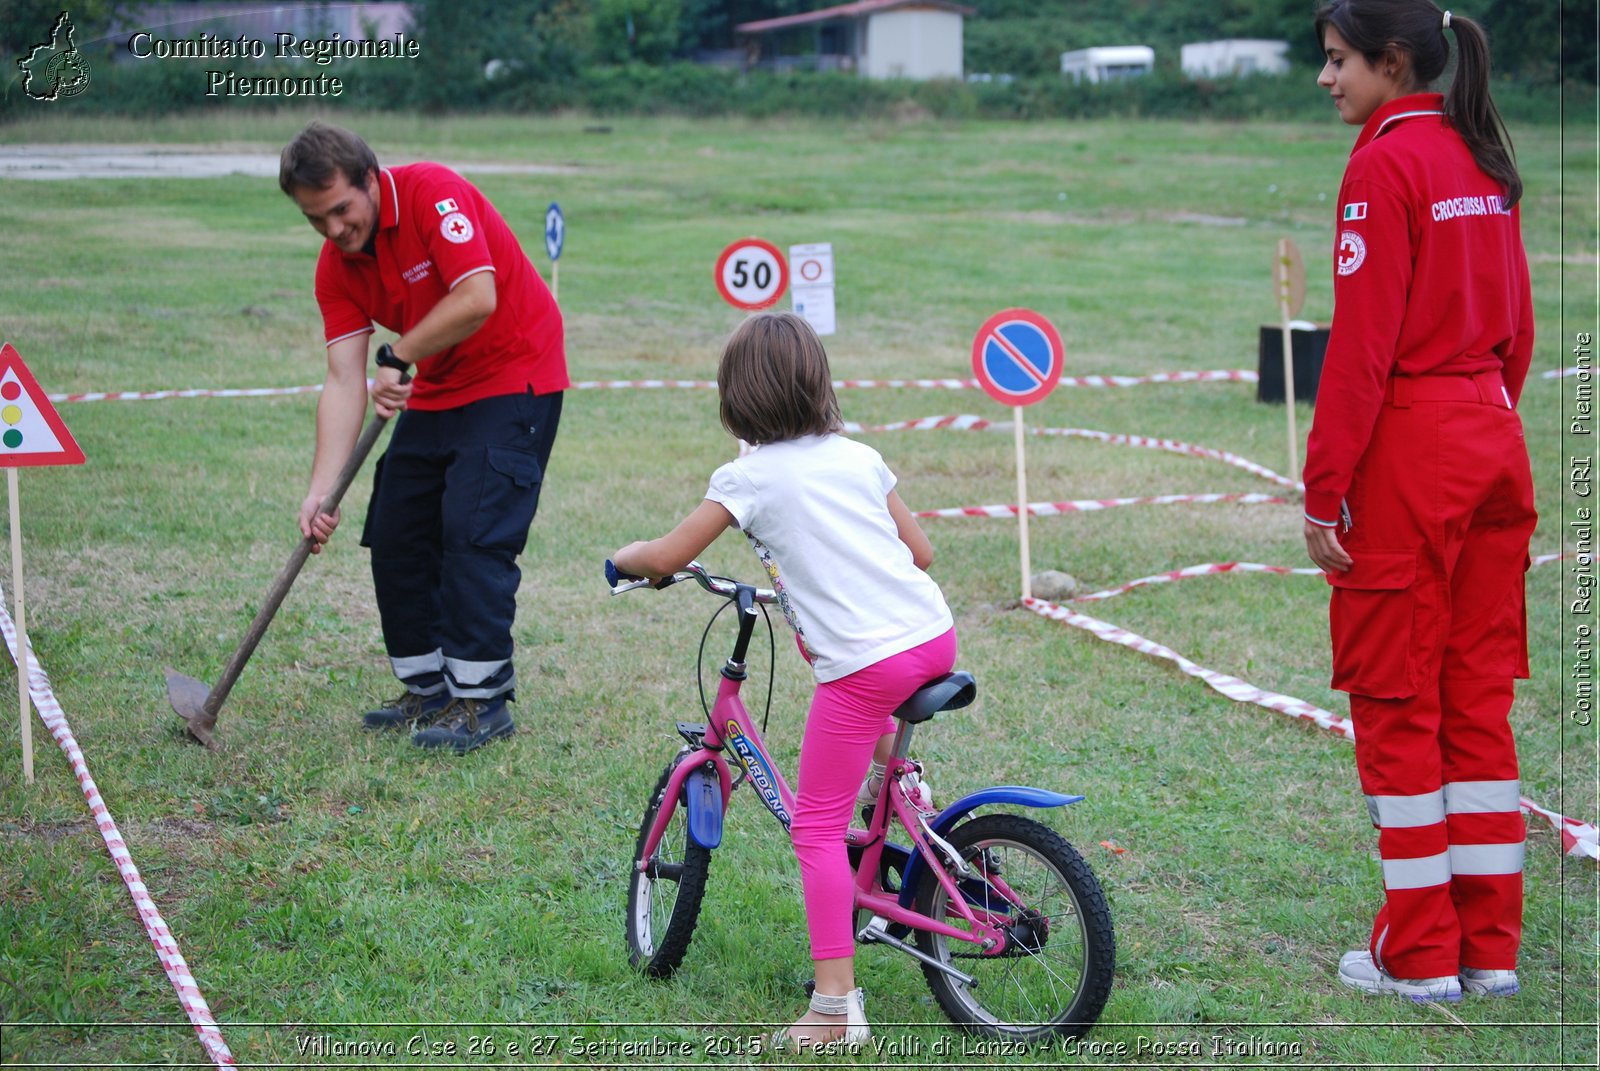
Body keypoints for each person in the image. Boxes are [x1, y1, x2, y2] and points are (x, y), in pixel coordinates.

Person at [611, 312, 955, 1048]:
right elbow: (919, 552)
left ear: (737, 398)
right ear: (818, 383)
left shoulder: (749, 477)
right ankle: (904, 783)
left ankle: (835, 1008)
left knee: (816, 827)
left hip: (869, 666)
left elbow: (669, 554)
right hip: (933, 637)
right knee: (816, 645)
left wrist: (626, 556)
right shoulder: (857, 456)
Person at [1302, 1, 1535, 1002]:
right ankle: (1490, 952)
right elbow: (1519, 328)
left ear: (1392, 64)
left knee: (1396, 699)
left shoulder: (1381, 162)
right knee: (1475, 703)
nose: (1326, 79)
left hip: (1413, 449)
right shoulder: (1481, 154)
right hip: (1493, 436)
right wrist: (1480, 420)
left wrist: (1325, 491)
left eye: (1338, 60)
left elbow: (1359, 348)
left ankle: (1420, 957)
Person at [279, 121, 567, 754]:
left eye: (340, 211)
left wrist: (400, 352)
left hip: (516, 374)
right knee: (396, 532)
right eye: (315, 219)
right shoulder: (337, 267)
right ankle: (427, 688)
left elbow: (477, 297)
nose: (332, 230)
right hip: (438, 386)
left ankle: (482, 701)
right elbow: (343, 379)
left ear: (369, 180)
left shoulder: (433, 192)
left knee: (472, 532)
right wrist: (321, 492)